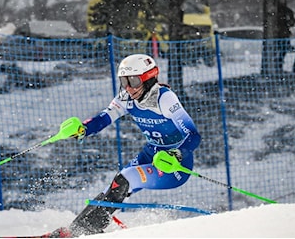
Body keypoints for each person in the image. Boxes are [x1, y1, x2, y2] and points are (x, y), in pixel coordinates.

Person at [50, 54, 201, 237]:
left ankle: (85, 231)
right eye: (124, 81)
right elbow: (106, 116)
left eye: (133, 80)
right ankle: (75, 230)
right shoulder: (126, 96)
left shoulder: (165, 99)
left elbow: (193, 135)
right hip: (150, 153)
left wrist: (177, 154)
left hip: (174, 166)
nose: (129, 87)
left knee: (126, 177)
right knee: (114, 186)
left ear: (148, 78)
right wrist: (84, 129)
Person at [275, 0, 295, 68]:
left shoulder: (288, 11)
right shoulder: (275, 10)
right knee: (277, 49)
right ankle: (277, 63)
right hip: (277, 33)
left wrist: (290, 21)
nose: (282, 1)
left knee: (284, 49)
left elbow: (292, 22)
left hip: (285, 32)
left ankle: (280, 63)